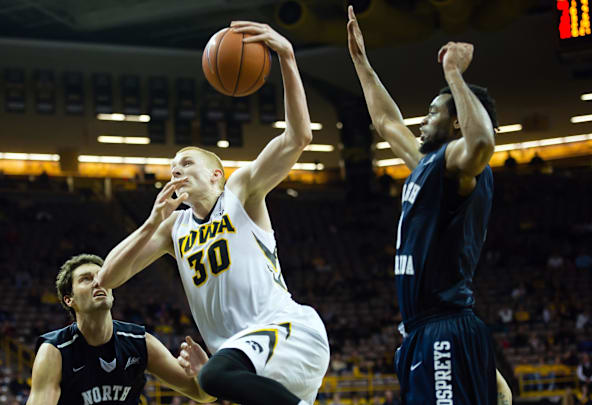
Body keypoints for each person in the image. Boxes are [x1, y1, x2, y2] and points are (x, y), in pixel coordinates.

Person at [96, 21, 329, 405]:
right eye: (172, 169)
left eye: (186, 163)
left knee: (215, 373)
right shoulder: (175, 227)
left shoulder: (241, 191)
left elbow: (298, 136)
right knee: (214, 377)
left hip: (286, 332)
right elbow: (107, 277)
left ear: (215, 174)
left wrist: (286, 56)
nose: (177, 172)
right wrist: (152, 222)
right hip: (250, 365)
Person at [347, 5, 508, 404]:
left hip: (443, 328)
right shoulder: (429, 165)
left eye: (434, 112)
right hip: (424, 330)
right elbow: (387, 122)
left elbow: (483, 142)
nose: (423, 120)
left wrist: (454, 75)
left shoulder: (461, 162)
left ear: (457, 123)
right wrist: (360, 61)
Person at [26, 254, 215, 405]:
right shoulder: (54, 351)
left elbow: (203, 395)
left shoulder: (140, 341)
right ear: (69, 300)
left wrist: (203, 373)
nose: (97, 282)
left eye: (101, 277)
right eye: (86, 279)